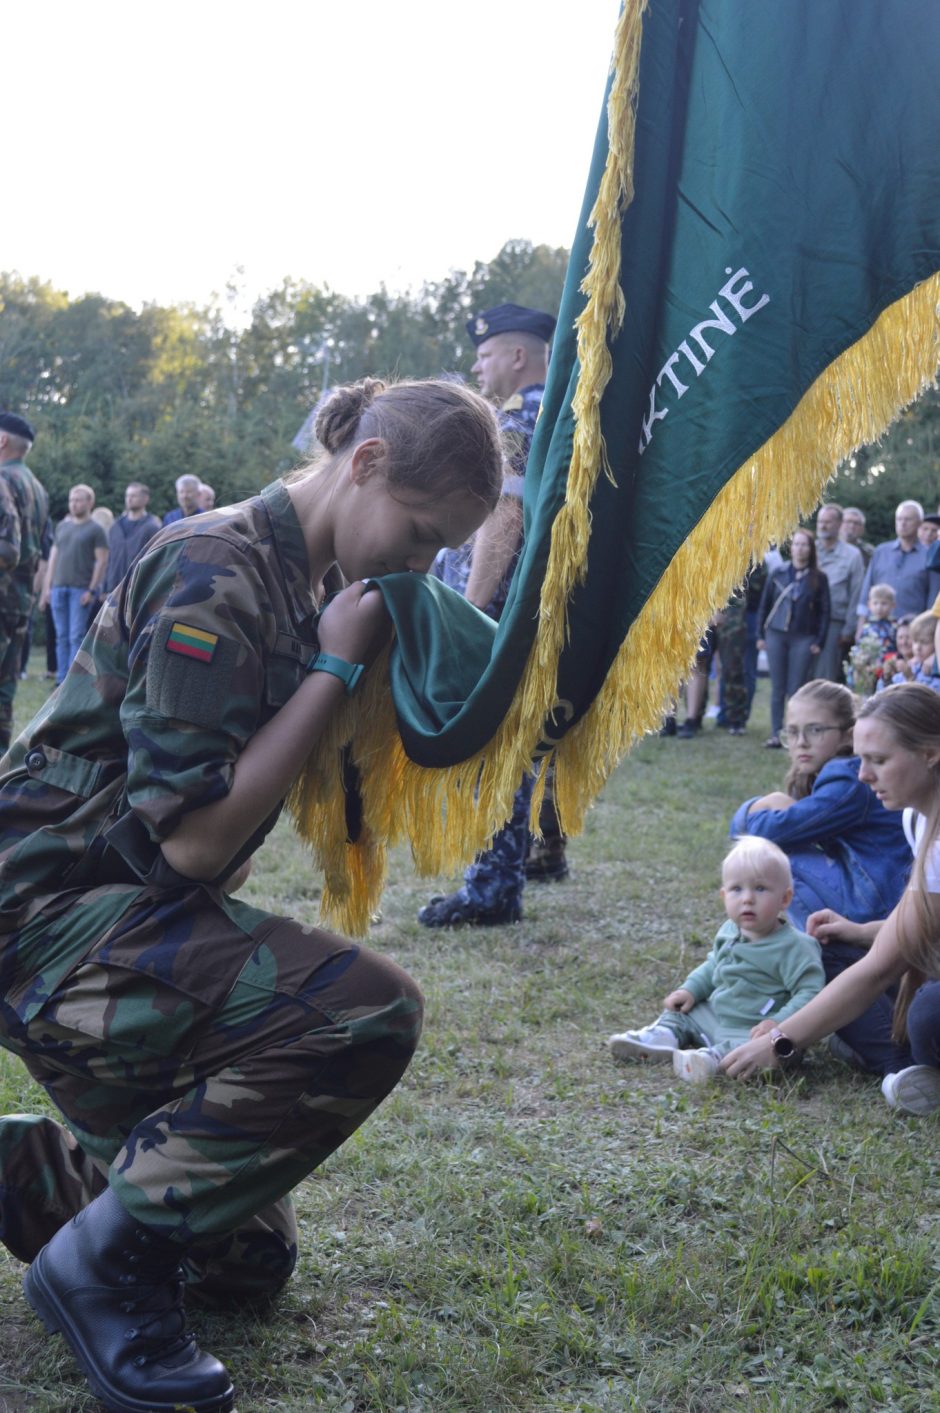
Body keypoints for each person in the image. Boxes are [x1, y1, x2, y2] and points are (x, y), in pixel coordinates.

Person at [0, 377, 503, 1413]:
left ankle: (34, 1179)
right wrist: (333, 667)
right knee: (368, 1007)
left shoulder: (296, 575)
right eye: (416, 535)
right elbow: (191, 846)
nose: (419, 568)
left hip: (110, 916)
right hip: (42, 916)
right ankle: (93, 1272)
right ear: (362, 463)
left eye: (438, 552)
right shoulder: (217, 563)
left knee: (241, 1265)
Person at [723, 684, 940, 1114]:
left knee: (928, 1012)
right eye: (860, 759)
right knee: (827, 947)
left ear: (930, 753)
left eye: (878, 760)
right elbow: (918, 923)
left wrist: (780, 1041)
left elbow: (880, 970)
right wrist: (859, 931)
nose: (863, 775)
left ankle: (899, 1063)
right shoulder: (918, 819)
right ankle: (898, 1063)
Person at [419, 303, 565, 925]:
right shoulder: (547, 414)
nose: (476, 365)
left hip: (497, 607)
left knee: (493, 744)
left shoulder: (519, 417)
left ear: (516, 356)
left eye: (483, 354)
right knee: (524, 741)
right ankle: (537, 855)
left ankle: (492, 888)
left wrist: (468, 608)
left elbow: (506, 515)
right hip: (520, 604)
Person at [607, 837, 825, 1083]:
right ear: (724, 896)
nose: (747, 899)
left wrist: (778, 1024)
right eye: (736, 889)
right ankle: (662, 1037)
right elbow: (713, 965)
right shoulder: (729, 931)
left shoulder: (795, 947)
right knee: (684, 1013)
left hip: (755, 1028)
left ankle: (711, 1060)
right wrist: (690, 989)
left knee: (760, 1048)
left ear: (784, 899)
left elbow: (811, 995)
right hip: (718, 1015)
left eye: (760, 888)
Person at [0, 412, 48, 751]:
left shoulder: (2, 480)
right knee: (4, 691)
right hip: (19, 602)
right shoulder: (37, 487)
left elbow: (8, 549)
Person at [757, 528, 830, 748]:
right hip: (776, 635)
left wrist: (819, 641)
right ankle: (775, 733)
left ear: (811, 548)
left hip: (804, 638)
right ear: (791, 547)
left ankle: (795, 733)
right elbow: (765, 605)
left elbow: (825, 611)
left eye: (804, 544)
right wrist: (760, 635)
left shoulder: (819, 578)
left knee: (796, 687)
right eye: (796, 544)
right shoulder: (778, 572)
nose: (800, 549)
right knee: (777, 687)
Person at [39, 483, 109, 681]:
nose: (74, 504)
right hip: (58, 589)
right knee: (61, 637)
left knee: (75, 636)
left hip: (80, 591)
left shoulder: (96, 530)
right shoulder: (62, 526)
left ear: (90, 502)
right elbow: (53, 558)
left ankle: (73, 682)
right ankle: (61, 681)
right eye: (72, 500)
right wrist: (47, 587)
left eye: (78, 500)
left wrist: (92, 589)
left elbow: (102, 561)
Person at [855, 500, 938, 635]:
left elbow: (933, 598)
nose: (902, 523)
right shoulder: (881, 551)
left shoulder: (929, 555)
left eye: (907, 519)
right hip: (877, 629)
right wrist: (860, 626)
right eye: (899, 519)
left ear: (919, 522)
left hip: (911, 630)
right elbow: (867, 591)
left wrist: (927, 630)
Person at [811, 502, 864, 683]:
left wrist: (849, 630)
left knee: (825, 678)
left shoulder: (852, 555)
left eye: (828, 522)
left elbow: (856, 594)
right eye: (820, 522)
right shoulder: (809, 549)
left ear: (839, 524)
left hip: (834, 624)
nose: (823, 526)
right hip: (806, 622)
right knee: (802, 675)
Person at [103, 481, 162, 594]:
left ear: (145, 499)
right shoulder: (115, 526)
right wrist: (105, 586)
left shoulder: (152, 527)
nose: (129, 499)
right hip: (114, 587)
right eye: (127, 495)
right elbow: (108, 558)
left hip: (138, 588)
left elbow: (157, 560)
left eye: (133, 496)